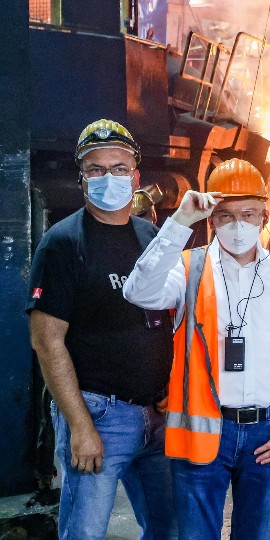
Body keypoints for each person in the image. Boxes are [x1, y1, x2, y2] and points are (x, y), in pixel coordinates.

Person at [122, 158, 270, 539]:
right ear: (211, 220)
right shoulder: (189, 270)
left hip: (269, 435)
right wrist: (179, 222)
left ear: (264, 216)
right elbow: (137, 291)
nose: (238, 225)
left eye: (248, 214)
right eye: (227, 215)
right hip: (203, 434)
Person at [27, 119, 177, 539]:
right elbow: (46, 340)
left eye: (118, 167)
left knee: (171, 528)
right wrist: (80, 426)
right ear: (81, 179)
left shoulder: (149, 238)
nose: (108, 177)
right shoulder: (63, 243)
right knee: (85, 531)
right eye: (96, 169)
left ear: (136, 175)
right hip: (99, 415)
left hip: (158, 417)